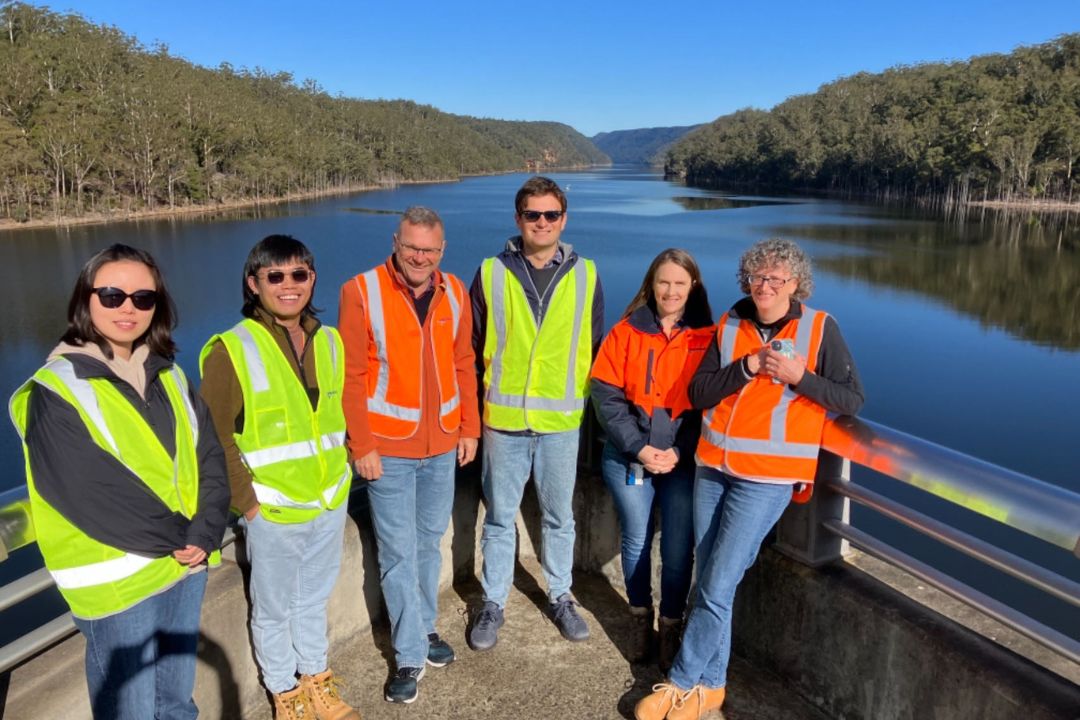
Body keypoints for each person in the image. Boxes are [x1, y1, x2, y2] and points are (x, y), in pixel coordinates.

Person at [635, 238, 864, 720]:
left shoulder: (820, 329)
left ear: (795, 283)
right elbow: (699, 392)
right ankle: (712, 687)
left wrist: (801, 376)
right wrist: (747, 366)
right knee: (711, 582)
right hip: (714, 468)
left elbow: (850, 399)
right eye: (758, 277)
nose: (764, 286)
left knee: (718, 584)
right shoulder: (731, 324)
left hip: (769, 478)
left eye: (776, 278)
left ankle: (678, 683)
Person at [9, 243, 229, 720]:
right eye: (111, 295)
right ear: (84, 301)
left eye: (143, 298)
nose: (128, 307)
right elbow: (90, 492)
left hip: (182, 567)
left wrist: (205, 531)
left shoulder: (167, 374)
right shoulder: (59, 388)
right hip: (119, 585)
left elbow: (208, 455)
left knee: (175, 703)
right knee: (128, 711)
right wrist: (185, 538)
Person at [199, 235, 359, 720]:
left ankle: (316, 681)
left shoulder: (329, 341)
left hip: (328, 502)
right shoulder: (232, 349)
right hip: (272, 510)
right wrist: (248, 504)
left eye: (300, 275)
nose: (289, 286)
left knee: (312, 600)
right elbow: (215, 438)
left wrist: (344, 475)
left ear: (312, 279)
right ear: (254, 283)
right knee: (272, 611)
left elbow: (332, 420)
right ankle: (284, 694)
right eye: (275, 276)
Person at [338, 207, 480, 703]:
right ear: (396, 242)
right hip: (389, 450)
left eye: (431, 249)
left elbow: (464, 364)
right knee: (398, 554)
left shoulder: (455, 292)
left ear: (442, 251)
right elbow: (352, 377)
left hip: (442, 444)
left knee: (427, 545)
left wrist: (470, 428)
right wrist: (363, 444)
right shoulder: (362, 291)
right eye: (412, 247)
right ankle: (408, 655)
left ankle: (422, 627)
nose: (420, 257)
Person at [467, 175, 604, 651]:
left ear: (563, 220)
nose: (541, 223)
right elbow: (472, 347)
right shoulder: (490, 272)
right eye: (532, 214)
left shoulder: (586, 274)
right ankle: (493, 602)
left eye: (550, 215)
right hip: (503, 421)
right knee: (501, 517)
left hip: (561, 424)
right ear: (518, 218)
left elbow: (595, 347)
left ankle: (561, 595)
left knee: (558, 516)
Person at [589, 248, 714, 671]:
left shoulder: (709, 336)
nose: (672, 291)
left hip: (683, 463)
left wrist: (679, 450)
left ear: (693, 287)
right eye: (664, 282)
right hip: (630, 457)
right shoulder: (626, 332)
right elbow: (605, 396)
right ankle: (640, 618)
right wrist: (639, 447)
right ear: (651, 284)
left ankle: (672, 625)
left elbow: (710, 407)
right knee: (637, 540)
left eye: (681, 283)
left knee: (679, 550)